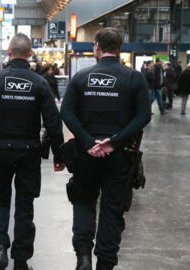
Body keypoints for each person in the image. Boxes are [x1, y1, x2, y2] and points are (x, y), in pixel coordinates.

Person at [0, 33, 65, 270]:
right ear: (30, 54)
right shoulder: (40, 83)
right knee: (25, 205)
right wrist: (59, 155)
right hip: (29, 151)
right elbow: (53, 122)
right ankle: (21, 260)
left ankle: (0, 248)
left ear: (8, 52)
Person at [60, 27, 151, 270]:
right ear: (119, 49)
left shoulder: (80, 78)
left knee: (83, 201)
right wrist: (115, 141)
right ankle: (105, 263)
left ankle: (83, 258)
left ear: (97, 47)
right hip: (120, 157)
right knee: (113, 209)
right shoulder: (134, 78)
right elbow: (144, 115)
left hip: (85, 156)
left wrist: (89, 142)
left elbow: (66, 112)